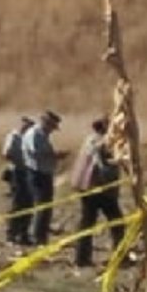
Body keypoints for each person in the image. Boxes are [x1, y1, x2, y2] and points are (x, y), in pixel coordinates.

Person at [69, 117, 125, 267]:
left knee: (88, 222)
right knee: (116, 222)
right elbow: (103, 166)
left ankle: (82, 258)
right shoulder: (100, 143)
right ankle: (119, 256)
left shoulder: (91, 139)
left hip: (91, 187)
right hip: (98, 188)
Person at [21, 110, 63, 246]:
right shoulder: (35, 134)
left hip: (44, 173)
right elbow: (37, 153)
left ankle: (42, 235)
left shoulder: (42, 135)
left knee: (46, 207)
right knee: (42, 207)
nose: (52, 130)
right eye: (51, 126)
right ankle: (39, 237)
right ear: (46, 123)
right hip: (38, 174)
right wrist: (55, 155)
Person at [1, 115, 35, 245]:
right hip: (17, 172)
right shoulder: (14, 136)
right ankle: (11, 233)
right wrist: (21, 160)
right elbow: (6, 153)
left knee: (29, 204)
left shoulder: (29, 138)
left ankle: (23, 234)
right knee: (18, 203)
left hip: (28, 172)